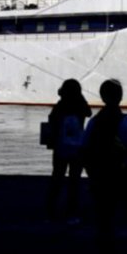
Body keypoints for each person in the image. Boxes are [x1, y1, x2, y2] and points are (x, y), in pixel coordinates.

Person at [82, 79, 127, 253]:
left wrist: (91, 173)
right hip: (123, 173)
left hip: (101, 174)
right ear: (120, 96)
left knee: (104, 215)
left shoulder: (94, 122)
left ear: (102, 96)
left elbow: (85, 150)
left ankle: (105, 250)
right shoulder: (125, 120)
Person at [45, 79, 92, 224]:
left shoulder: (60, 106)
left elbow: (52, 120)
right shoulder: (80, 106)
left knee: (57, 179)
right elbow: (89, 113)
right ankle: (72, 213)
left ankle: (51, 212)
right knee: (74, 181)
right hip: (77, 148)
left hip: (61, 147)